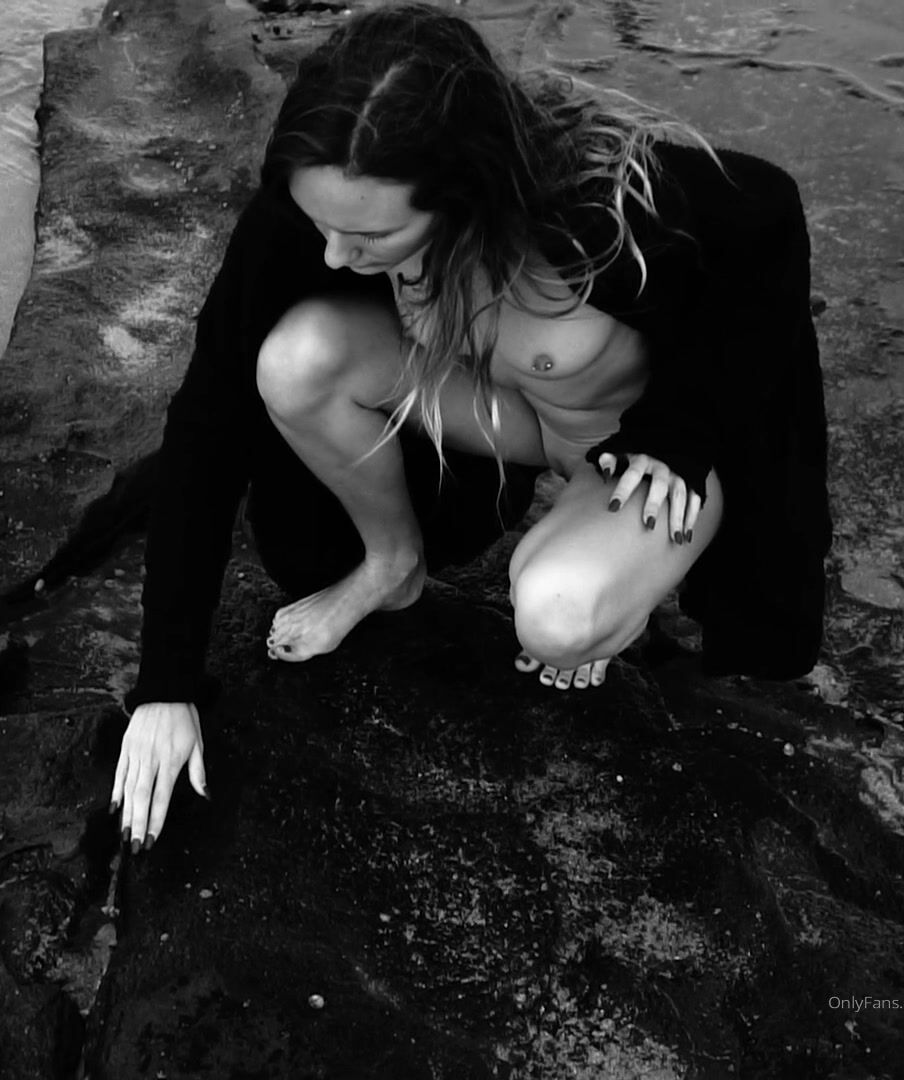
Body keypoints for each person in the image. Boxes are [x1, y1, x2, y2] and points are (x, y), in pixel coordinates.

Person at [109, 2, 831, 851]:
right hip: (507, 421)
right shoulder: (316, 222)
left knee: (557, 615)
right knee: (293, 361)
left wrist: (683, 430)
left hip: (627, 456)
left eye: (369, 233)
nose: (334, 254)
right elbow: (210, 416)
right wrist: (167, 685)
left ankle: (622, 585)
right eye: (321, 224)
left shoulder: (595, 200)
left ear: (464, 190)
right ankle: (393, 563)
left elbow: (771, 216)